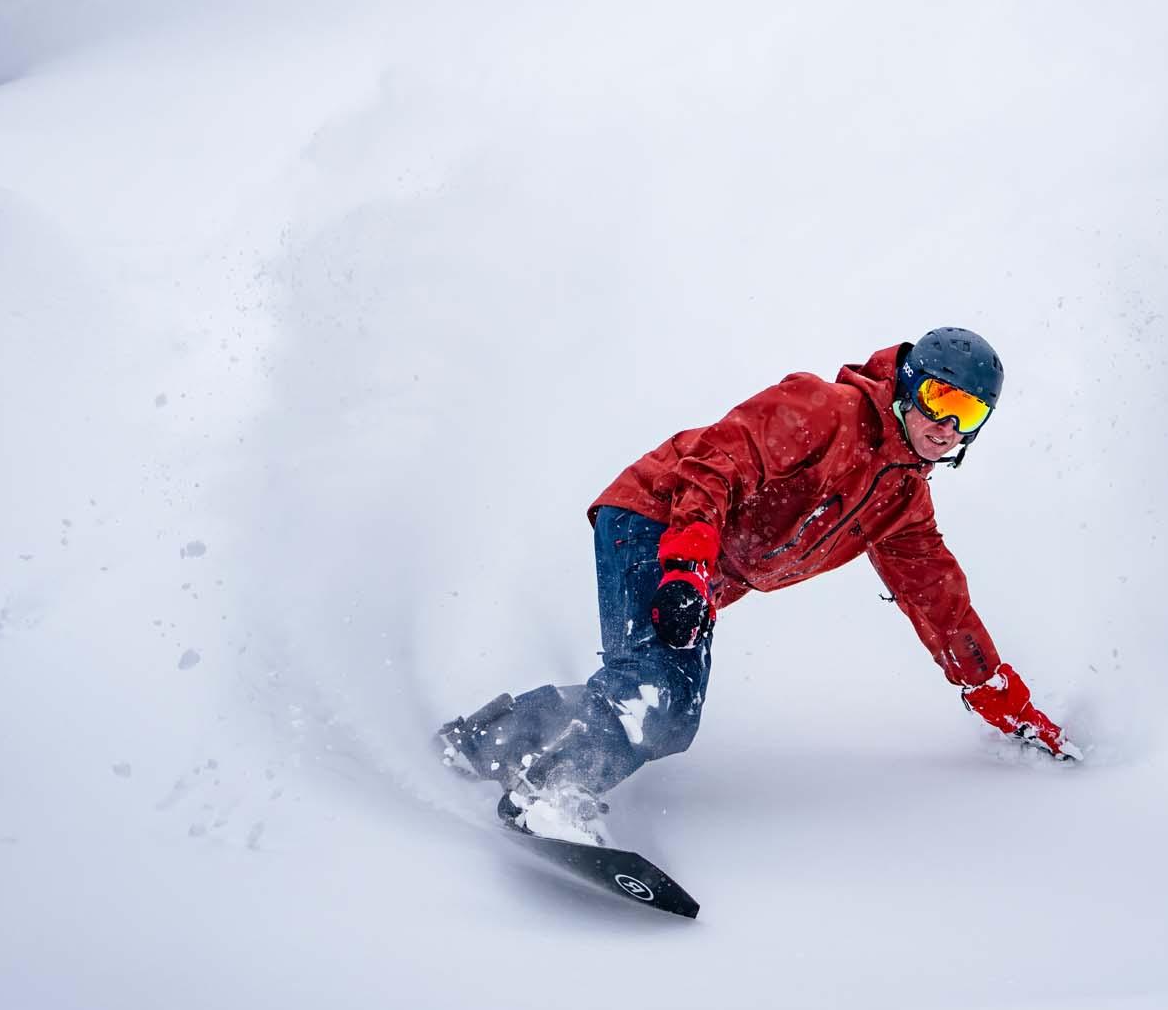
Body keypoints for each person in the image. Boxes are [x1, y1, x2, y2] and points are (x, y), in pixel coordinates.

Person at [436, 327, 1074, 842]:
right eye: (942, 400)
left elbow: (944, 611)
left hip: (699, 565)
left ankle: (484, 740)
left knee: (649, 689)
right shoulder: (825, 410)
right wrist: (686, 569)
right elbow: (715, 463)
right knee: (663, 700)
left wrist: (1009, 710)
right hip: (658, 517)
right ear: (910, 387)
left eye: (970, 413)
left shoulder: (903, 502)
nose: (949, 426)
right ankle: (550, 792)